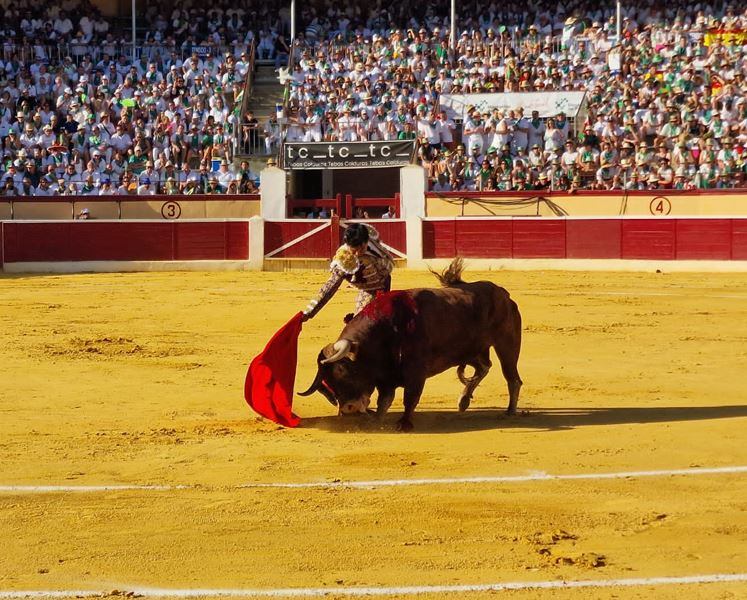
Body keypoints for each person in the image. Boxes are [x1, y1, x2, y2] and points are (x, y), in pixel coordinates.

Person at [302, 223, 394, 323]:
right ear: (348, 245)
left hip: (385, 282)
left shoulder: (371, 238)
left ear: (366, 241)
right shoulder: (345, 259)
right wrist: (309, 312)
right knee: (362, 323)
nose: (358, 253)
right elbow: (330, 287)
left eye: (362, 248)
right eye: (354, 250)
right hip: (368, 290)